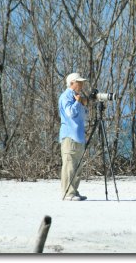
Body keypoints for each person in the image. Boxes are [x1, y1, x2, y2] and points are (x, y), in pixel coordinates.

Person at [59, 72, 89, 201]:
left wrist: (84, 103)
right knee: (69, 165)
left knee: (78, 166)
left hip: (79, 135)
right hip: (69, 136)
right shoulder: (66, 96)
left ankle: (74, 191)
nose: (82, 84)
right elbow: (70, 113)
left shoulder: (77, 96)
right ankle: (67, 193)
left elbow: (84, 116)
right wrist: (77, 103)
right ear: (72, 83)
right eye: (79, 82)